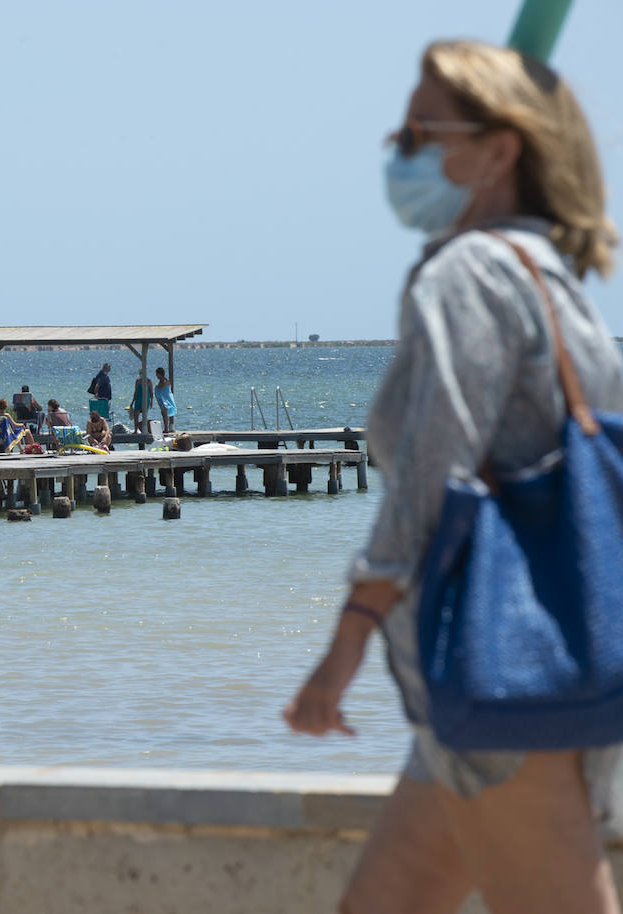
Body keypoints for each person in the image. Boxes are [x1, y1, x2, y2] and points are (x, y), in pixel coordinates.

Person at [283, 40, 623, 914]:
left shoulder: (467, 273)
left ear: (501, 150)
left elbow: (433, 475)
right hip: (512, 671)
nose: (402, 150)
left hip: (504, 678)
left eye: (421, 129)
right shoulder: (551, 277)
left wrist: (347, 642)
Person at [154, 367, 177, 433]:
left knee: (165, 413)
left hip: (166, 401)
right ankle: (166, 428)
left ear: (160, 374)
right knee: (163, 414)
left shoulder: (164, 381)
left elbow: (162, 387)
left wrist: (156, 387)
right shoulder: (161, 381)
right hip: (163, 400)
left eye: (157, 374)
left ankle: (167, 428)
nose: (156, 376)